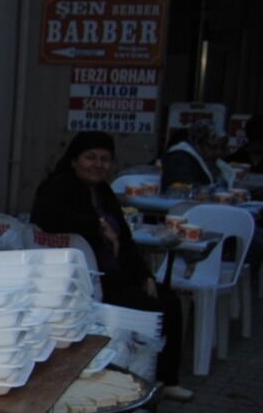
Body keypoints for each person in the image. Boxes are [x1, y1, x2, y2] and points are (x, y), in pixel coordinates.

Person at [31, 130, 190, 398]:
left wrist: (144, 275)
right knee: (151, 306)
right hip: (83, 280)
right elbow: (48, 222)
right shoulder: (57, 187)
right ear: (74, 160)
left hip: (116, 274)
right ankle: (141, 373)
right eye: (90, 157)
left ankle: (167, 379)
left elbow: (125, 242)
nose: (98, 164)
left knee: (167, 299)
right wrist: (97, 225)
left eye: (105, 159)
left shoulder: (104, 192)